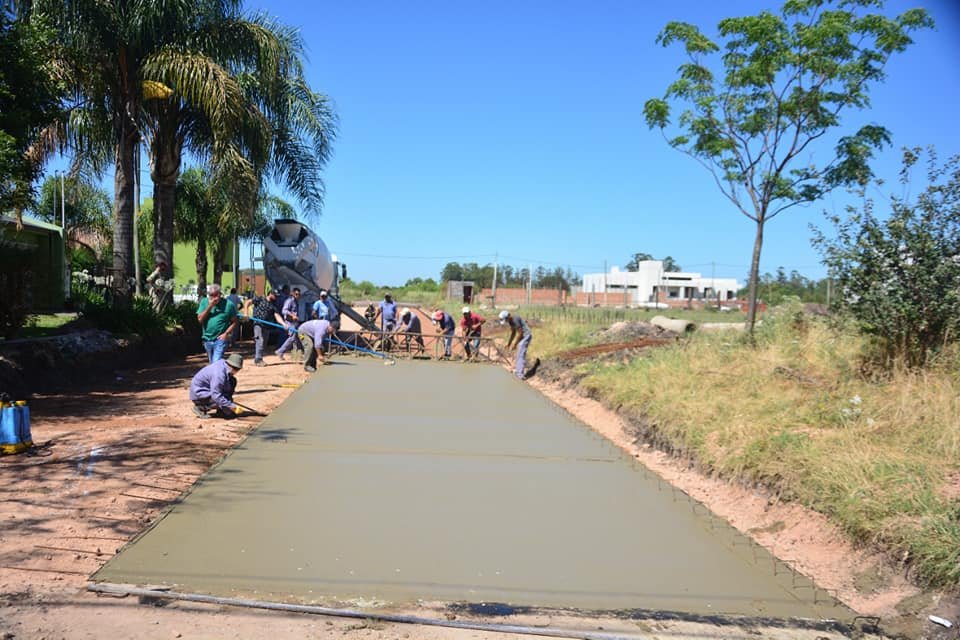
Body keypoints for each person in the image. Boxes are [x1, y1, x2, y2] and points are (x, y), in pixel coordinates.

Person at [189, 353, 247, 418]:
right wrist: (231, 406)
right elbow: (216, 395)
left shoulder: (224, 366)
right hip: (199, 395)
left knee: (232, 381)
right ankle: (201, 407)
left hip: (209, 391)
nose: (237, 372)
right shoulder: (219, 375)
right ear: (233, 367)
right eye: (237, 370)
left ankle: (221, 410)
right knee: (221, 399)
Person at [197, 283, 239, 363]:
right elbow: (200, 320)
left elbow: (235, 321)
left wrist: (226, 333)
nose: (213, 297)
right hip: (207, 339)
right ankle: (218, 374)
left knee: (215, 362)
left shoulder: (229, 305)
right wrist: (210, 306)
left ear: (220, 294)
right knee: (212, 362)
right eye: (211, 295)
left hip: (220, 339)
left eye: (215, 295)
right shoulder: (204, 302)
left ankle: (219, 374)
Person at [244, 290, 284, 366]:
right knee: (260, 341)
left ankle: (259, 358)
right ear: (270, 294)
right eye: (275, 295)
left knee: (264, 343)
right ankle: (258, 360)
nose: (276, 297)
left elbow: (277, 315)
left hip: (266, 326)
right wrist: (246, 313)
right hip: (258, 323)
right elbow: (248, 302)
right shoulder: (260, 299)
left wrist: (283, 324)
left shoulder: (273, 305)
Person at [500, 310, 538, 380]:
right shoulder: (511, 322)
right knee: (519, 353)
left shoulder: (515, 319)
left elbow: (520, 333)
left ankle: (520, 375)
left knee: (521, 354)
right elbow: (513, 333)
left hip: (526, 336)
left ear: (508, 316)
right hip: (523, 337)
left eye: (506, 320)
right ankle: (518, 372)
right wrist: (509, 344)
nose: (506, 321)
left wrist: (515, 344)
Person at [275, 287, 304, 361]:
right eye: (296, 294)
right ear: (293, 294)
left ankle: (298, 354)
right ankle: (280, 351)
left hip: (295, 322)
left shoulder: (296, 302)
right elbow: (284, 311)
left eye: (299, 294)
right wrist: (292, 315)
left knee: (298, 338)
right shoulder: (289, 301)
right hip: (289, 322)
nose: (298, 295)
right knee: (292, 337)